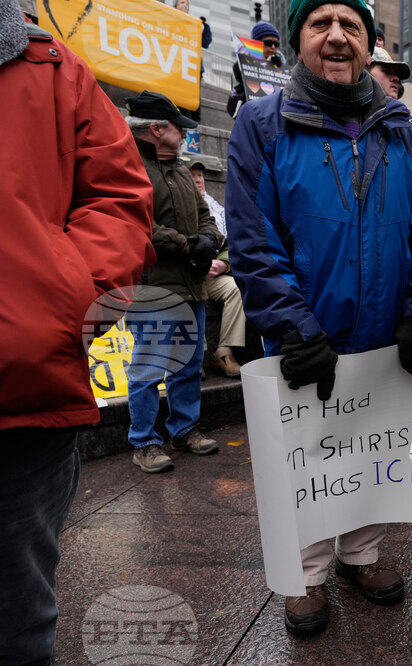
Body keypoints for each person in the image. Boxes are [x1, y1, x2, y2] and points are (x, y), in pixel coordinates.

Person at [225, 0, 412, 637]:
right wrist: (292, 324)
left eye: (352, 26)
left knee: (374, 444)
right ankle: (308, 572)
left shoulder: (403, 129)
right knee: (305, 454)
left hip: (383, 333)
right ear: (300, 41)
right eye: (321, 24)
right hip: (306, 335)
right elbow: (253, 237)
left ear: (370, 44)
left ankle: (360, 555)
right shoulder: (260, 124)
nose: (338, 37)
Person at [0, 5, 154, 661]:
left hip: (22, 393)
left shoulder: (55, 69)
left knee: (17, 624)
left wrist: (68, 297)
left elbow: (119, 197)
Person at [125, 91, 223, 473]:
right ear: (156, 129)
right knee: (148, 367)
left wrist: (209, 239)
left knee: (189, 363)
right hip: (155, 286)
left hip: (191, 284)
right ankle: (145, 441)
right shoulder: (129, 167)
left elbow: (207, 214)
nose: (183, 133)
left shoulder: (181, 169)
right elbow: (138, 226)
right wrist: (189, 245)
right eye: (178, 127)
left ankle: (184, 429)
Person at [185, 159, 246, 377]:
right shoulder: (181, 207)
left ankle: (224, 352)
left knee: (236, 288)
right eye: (192, 175)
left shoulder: (217, 209)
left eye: (200, 175)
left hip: (213, 276)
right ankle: (196, 358)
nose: (198, 179)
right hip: (189, 275)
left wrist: (224, 263)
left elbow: (233, 242)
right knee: (188, 293)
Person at [227, 21, 283, 117]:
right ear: (257, 43)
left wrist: (278, 66)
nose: (273, 47)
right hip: (251, 111)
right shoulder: (246, 58)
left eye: (276, 44)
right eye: (269, 43)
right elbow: (238, 74)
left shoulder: (280, 64)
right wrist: (253, 59)